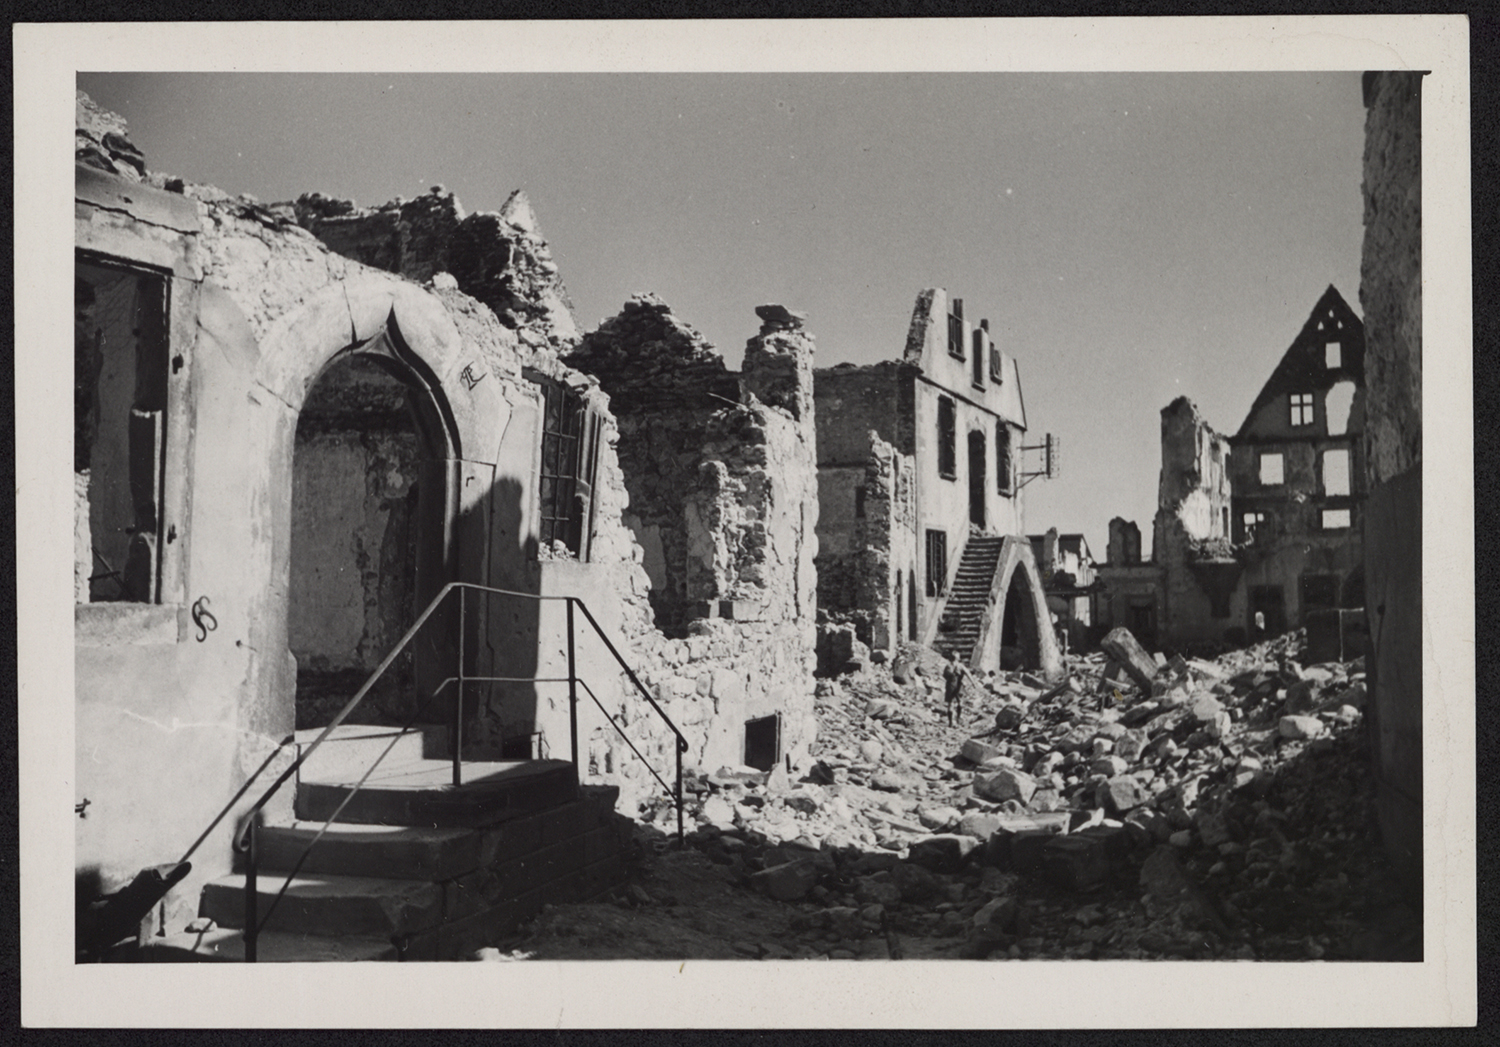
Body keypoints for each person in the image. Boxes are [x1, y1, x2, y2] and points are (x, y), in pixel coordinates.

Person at [942, 651, 970, 727]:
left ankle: (950, 722)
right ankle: (958, 718)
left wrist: (951, 677)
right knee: (960, 701)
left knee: (950, 704)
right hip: (958, 685)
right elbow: (968, 673)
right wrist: (974, 683)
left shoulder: (948, 665)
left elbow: (944, 675)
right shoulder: (960, 665)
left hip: (950, 685)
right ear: (958, 657)